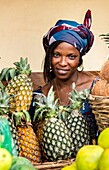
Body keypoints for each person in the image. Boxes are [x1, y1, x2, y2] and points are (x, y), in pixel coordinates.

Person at [30, 9, 98, 143]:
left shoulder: (95, 88)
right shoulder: (40, 96)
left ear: (79, 59)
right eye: (56, 55)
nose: (62, 63)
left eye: (71, 56)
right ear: (50, 56)